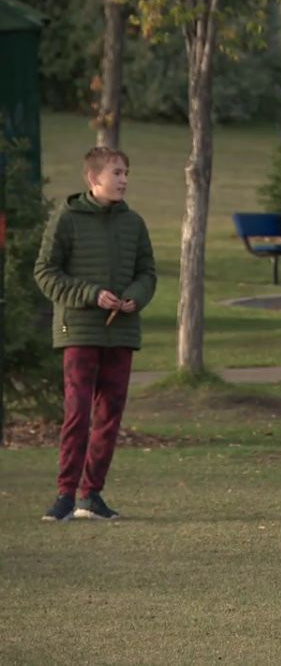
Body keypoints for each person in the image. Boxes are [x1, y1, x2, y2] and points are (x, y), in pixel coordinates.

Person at [34, 146, 157, 521]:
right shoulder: (66, 219)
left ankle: (91, 496)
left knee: (109, 417)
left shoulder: (133, 223)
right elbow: (45, 272)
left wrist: (135, 297)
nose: (123, 179)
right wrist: (90, 295)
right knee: (77, 415)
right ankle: (65, 496)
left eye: (126, 173)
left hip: (120, 335)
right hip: (80, 332)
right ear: (93, 178)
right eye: (116, 172)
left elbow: (147, 273)